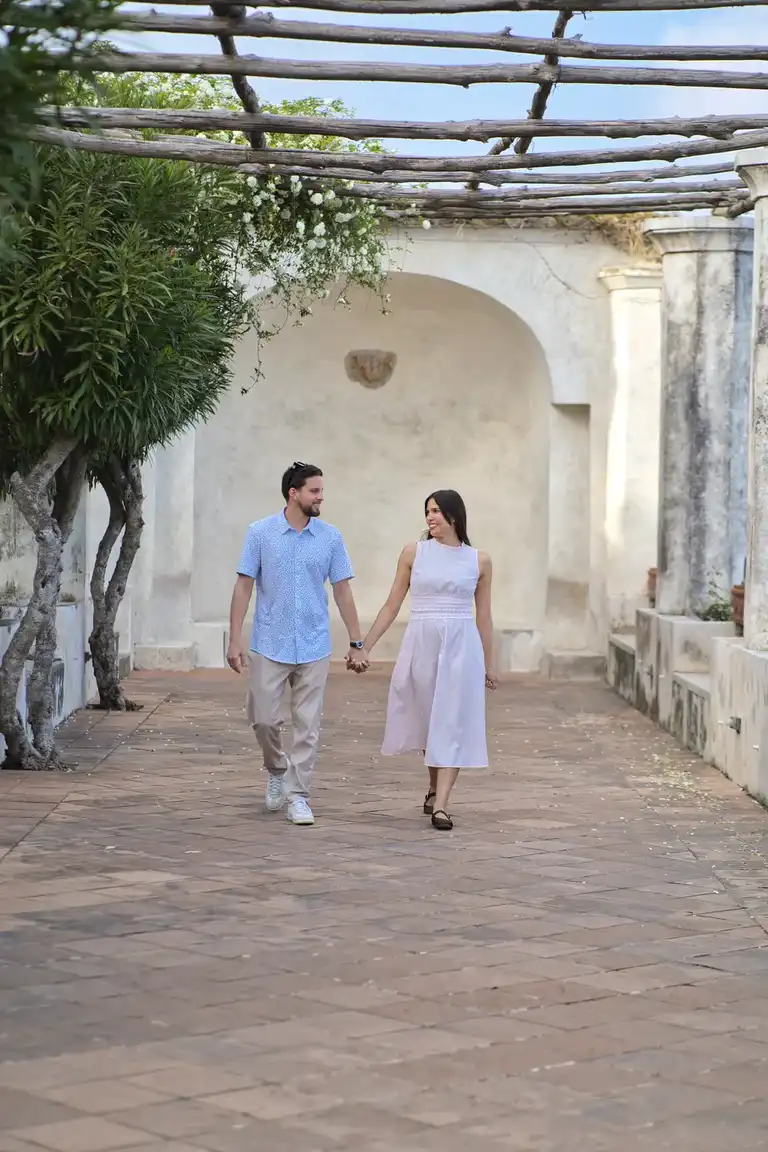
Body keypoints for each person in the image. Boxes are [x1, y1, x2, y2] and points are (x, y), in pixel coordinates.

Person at [227, 462, 368, 826]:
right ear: (294, 493)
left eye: (321, 490)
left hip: (313, 644)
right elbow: (244, 586)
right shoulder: (260, 533)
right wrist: (234, 638)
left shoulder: (330, 537)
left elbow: (342, 590)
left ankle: (298, 795)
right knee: (262, 719)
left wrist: (356, 642)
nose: (321, 497)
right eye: (315, 491)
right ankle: (277, 770)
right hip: (268, 642)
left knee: (307, 725)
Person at [354, 490, 496, 831]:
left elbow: (485, 617)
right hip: (422, 642)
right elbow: (392, 604)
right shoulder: (413, 553)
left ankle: (442, 806)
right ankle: (433, 786)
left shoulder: (479, 561)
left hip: (462, 646)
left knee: (453, 721)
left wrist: (490, 665)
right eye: (427, 512)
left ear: (454, 516)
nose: (430, 518)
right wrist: (364, 646)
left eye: (436, 512)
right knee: (429, 720)